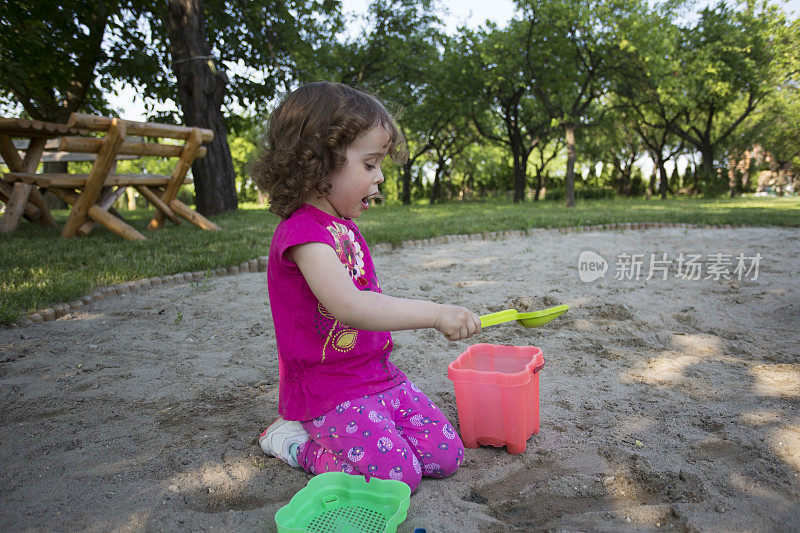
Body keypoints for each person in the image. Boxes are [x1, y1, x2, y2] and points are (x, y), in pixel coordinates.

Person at [252, 81, 481, 492]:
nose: (379, 178)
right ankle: (295, 444)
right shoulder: (303, 235)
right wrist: (434, 313)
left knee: (446, 455)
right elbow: (351, 306)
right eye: (370, 164)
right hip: (328, 390)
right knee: (400, 477)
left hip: (376, 375)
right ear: (319, 163)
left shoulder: (343, 227)